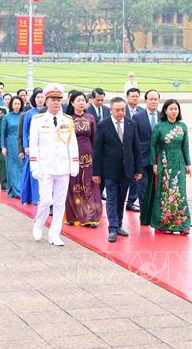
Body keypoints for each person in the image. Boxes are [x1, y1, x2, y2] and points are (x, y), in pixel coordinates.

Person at [30, 83, 79, 246]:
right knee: (45, 200)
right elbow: (34, 144)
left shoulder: (68, 120)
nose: (56, 102)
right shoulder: (37, 120)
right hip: (45, 167)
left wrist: (74, 164)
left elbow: (72, 143)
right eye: (53, 99)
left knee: (59, 202)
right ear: (46, 101)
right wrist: (34, 166)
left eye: (58, 99)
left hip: (63, 166)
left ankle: (55, 233)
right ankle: (38, 224)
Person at [92, 96, 142, 243]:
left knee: (121, 199)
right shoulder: (103, 125)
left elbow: (136, 148)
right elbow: (97, 151)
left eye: (123, 110)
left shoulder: (131, 124)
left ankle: (118, 224)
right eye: (117, 110)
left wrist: (138, 169)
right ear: (111, 110)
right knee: (112, 199)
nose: (121, 112)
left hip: (126, 170)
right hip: (109, 170)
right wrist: (96, 172)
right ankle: (112, 228)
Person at [143, 99, 192, 235]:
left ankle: (182, 224)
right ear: (165, 111)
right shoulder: (159, 127)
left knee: (180, 191)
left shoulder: (183, 126)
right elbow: (153, 146)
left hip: (179, 162)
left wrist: (188, 164)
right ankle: (163, 223)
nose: (173, 111)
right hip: (164, 162)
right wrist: (154, 163)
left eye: (176, 109)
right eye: (171, 109)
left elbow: (185, 146)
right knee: (164, 192)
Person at [64, 91, 102, 227]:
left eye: (83, 100)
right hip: (72, 156)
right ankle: (73, 215)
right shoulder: (67, 119)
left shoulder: (90, 117)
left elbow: (95, 139)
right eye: (78, 100)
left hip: (88, 156)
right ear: (72, 103)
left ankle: (89, 216)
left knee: (89, 185)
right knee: (73, 186)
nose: (81, 103)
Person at [136, 90, 161, 225]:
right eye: (150, 99)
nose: (153, 101)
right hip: (143, 159)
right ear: (146, 100)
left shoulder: (164, 116)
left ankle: (157, 216)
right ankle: (145, 216)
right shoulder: (138, 117)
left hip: (159, 159)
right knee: (143, 189)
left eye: (155, 99)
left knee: (159, 189)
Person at [21, 88, 45, 205]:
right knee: (33, 172)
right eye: (38, 97)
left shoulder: (47, 112)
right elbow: (25, 131)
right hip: (33, 146)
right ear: (34, 99)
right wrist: (26, 146)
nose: (40, 99)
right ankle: (35, 197)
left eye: (42, 97)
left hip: (45, 146)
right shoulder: (29, 113)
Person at [124, 87, 145, 212]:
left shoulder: (142, 111)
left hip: (138, 149)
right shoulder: (122, 110)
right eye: (133, 96)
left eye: (137, 96)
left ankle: (131, 201)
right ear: (127, 97)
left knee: (135, 177)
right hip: (125, 149)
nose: (135, 98)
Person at [2, 96, 25, 198]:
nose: (17, 106)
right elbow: (3, 133)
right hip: (10, 144)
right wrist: (3, 146)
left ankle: (22, 189)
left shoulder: (24, 116)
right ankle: (16, 190)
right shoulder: (6, 117)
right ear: (11, 105)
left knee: (21, 166)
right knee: (12, 167)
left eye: (19, 104)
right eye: (15, 104)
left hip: (21, 144)